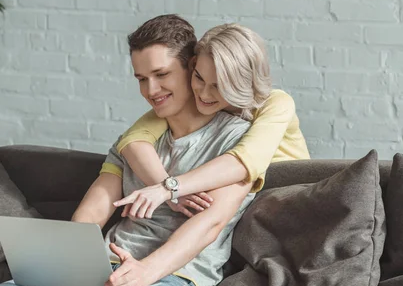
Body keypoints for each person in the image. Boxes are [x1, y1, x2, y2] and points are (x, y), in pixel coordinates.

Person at [0, 14, 256, 286]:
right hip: (106, 269)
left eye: (161, 74)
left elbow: (209, 224)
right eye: (141, 78)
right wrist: (68, 262)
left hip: (175, 281)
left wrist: (145, 272)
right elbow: (95, 209)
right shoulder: (134, 142)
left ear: (192, 68)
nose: (151, 90)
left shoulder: (239, 141)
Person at [113, 22, 310, 219]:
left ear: (239, 82)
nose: (204, 94)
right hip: (242, 206)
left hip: (290, 198)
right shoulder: (197, 101)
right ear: (193, 66)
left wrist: (168, 188)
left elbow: (243, 162)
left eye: (218, 85)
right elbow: (133, 139)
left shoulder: (276, 103)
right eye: (199, 78)